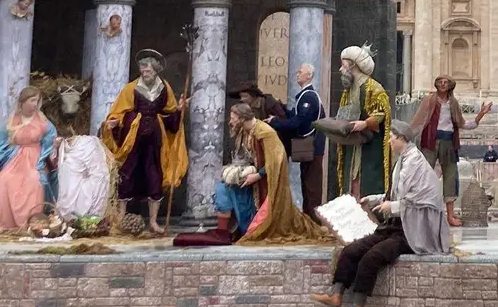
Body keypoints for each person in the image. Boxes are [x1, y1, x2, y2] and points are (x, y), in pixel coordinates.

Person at [312, 120, 451, 307]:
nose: (389, 143)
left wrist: (392, 207)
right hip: (393, 225)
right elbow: (397, 193)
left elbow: (423, 200)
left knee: (372, 257)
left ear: (402, 139)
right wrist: (377, 198)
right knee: (352, 250)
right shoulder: (403, 160)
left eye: (392, 139)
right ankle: (336, 294)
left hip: (411, 229)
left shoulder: (416, 164)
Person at [174, 103, 330, 246]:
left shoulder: (265, 132)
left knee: (230, 191)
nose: (231, 122)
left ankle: (250, 227)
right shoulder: (244, 131)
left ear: (242, 119)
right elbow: (244, 157)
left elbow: (277, 159)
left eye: (233, 118)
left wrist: (257, 175)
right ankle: (224, 231)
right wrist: (237, 171)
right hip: (250, 178)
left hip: (265, 183)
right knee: (223, 187)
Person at [99, 50, 188, 234]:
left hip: (155, 138)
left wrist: (179, 110)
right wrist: (115, 123)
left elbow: (170, 112)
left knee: (154, 175)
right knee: (127, 175)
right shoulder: (131, 88)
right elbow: (118, 111)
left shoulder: (164, 88)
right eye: (142, 67)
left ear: (156, 69)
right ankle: (122, 220)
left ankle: (154, 222)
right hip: (133, 137)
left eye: (148, 67)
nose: (145, 70)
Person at [409, 75, 492, 226]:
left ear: (450, 86)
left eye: (445, 82)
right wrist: (405, 135)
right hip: (430, 141)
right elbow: (418, 120)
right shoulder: (429, 100)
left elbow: (465, 124)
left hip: (449, 142)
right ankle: (422, 212)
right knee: (424, 174)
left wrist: (481, 114)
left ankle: (450, 215)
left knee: (451, 177)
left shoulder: (453, 103)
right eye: (440, 82)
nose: (442, 84)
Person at [0, 87, 59, 236]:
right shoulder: (11, 122)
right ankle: (5, 225)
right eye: (32, 100)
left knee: (34, 180)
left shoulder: (42, 121)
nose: (35, 104)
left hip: (36, 158)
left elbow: (50, 140)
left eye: (37, 101)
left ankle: (31, 224)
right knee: (5, 179)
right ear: (23, 102)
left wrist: (51, 152)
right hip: (15, 158)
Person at [329, 45, 391, 199]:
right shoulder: (349, 89)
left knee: (365, 183)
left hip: (369, 145)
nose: (340, 69)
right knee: (351, 181)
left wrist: (365, 123)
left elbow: (382, 113)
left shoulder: (373, 88)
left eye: (343, 65)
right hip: (352, 142)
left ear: (352, 65)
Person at [268, 62, 325, 220]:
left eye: (300, 72)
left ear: (309, 76)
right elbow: (295, 115)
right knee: (305, 182)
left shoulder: (309, 96)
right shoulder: (303, 96)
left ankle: (314, 222)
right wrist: (280, 109)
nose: (297, 74)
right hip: (304, 144)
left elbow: (297, 122)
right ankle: (308, 220)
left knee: (311, 186)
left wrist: (274, 122)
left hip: (311, 145)